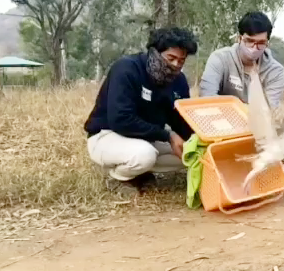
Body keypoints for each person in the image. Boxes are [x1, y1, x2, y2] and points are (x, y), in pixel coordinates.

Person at [83, 27, 198, 192]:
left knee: (193, 153)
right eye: (171, 58)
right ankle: (120, 177)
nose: (175, 65)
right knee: (145, 155)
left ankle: (141, 171)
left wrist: (199, 140)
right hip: (107, 134)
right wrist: (167, 135)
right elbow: (121, 120)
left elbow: (181, 122)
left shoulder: (178, 81)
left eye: (181, 61)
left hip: (147, 138)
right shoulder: (127, 69)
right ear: (155, 52)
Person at [199, 11, 284, 109]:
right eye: (249, 41)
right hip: (220, 118)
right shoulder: (220, 59)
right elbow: (206, 98)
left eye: (261, 43)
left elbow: (269, 109)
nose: (254, 48)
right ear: (239, 38)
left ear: (267, 43)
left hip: (255, 123)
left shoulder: (275, 71)